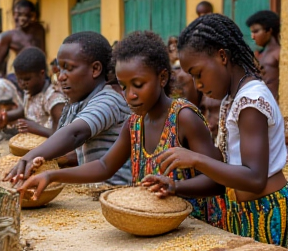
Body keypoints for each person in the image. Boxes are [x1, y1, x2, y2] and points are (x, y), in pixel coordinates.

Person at [9, 30, 224, 222]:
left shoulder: (183, 117)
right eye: (124, 86)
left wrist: (175, 187)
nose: (130, 95)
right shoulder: (134, 123)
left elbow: (217, 181)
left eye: (138, 85)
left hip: (197, 226)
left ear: (162, 77)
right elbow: (104, 166)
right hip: (151, 223)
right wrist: (52, 175)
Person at [142, 14, 288, 247]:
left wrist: (196, 159)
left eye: (199, 73)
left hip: (266, 211)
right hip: (243, 211)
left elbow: (255, 178)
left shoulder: (251, 101)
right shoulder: (234, 98)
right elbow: (225, 176)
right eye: (192, 77)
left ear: (222, 56)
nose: (198, 85)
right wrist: (176, 187)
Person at [4, 31, 132, 186]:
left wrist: (29, 157)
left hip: (114, 193)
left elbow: (75, 134)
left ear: (95, 69)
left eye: (68, 68)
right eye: (59, 70)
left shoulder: (109, 100)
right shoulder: (78, 102)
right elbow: (73, 151)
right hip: (93, 191)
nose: (61, 77)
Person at [0, 47, 65, 137]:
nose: (22, 83)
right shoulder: (30, 90)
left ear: (41, 74)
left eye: (27, 79)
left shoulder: (54, 98)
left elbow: (61, 134)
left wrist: (34, 128)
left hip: (49, 145)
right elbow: (25, 109)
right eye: (19, 79)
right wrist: (6, 116)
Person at [0, 0, 46, 77]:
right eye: (17, 14)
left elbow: (42, 53)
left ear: (32, 16)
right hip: (19, 77)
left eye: (24, 15)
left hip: (39, 75)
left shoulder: (39, 30)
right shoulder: (7, 36)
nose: (20, 19)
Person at [246, 10, 280, 101]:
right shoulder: (259, 55)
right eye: (252, 32)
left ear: (269, 30)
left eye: (256, 31)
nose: (253, 37)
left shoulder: (278, 53)